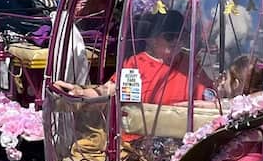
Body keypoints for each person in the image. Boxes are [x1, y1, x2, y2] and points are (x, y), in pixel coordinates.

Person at [55, 10, 209, 105]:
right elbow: (110, 90)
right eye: (170, 36)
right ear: (152, 39)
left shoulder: (189, 64)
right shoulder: (137, 64)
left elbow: (209, 94)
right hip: (142, 137)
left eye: (182, 36)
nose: (177, 41)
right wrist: (80, 92)